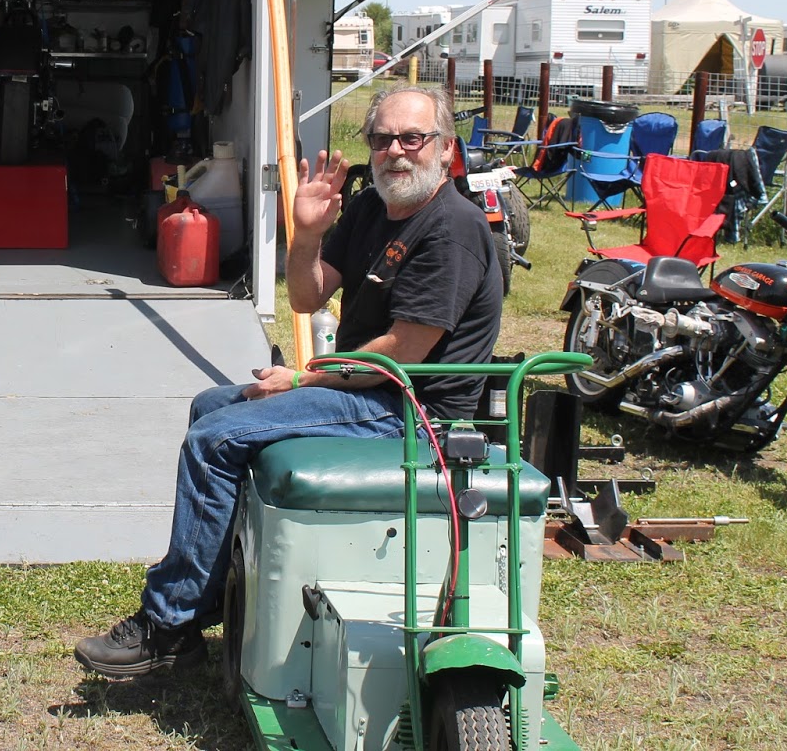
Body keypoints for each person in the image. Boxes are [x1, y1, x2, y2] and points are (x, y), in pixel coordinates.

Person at [73, 85, 502, 677]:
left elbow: (405, 351)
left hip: (410, 407)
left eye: (413, 138)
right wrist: (305, 236)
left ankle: (169, 625)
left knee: (216, 440)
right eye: (382, 139)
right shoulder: (377, 208)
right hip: (365, 388)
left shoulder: (451, 229)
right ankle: (215, 596)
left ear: (446, 148)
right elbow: (306, 294)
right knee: (210, 407)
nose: (396, 152)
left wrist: (301, 380)